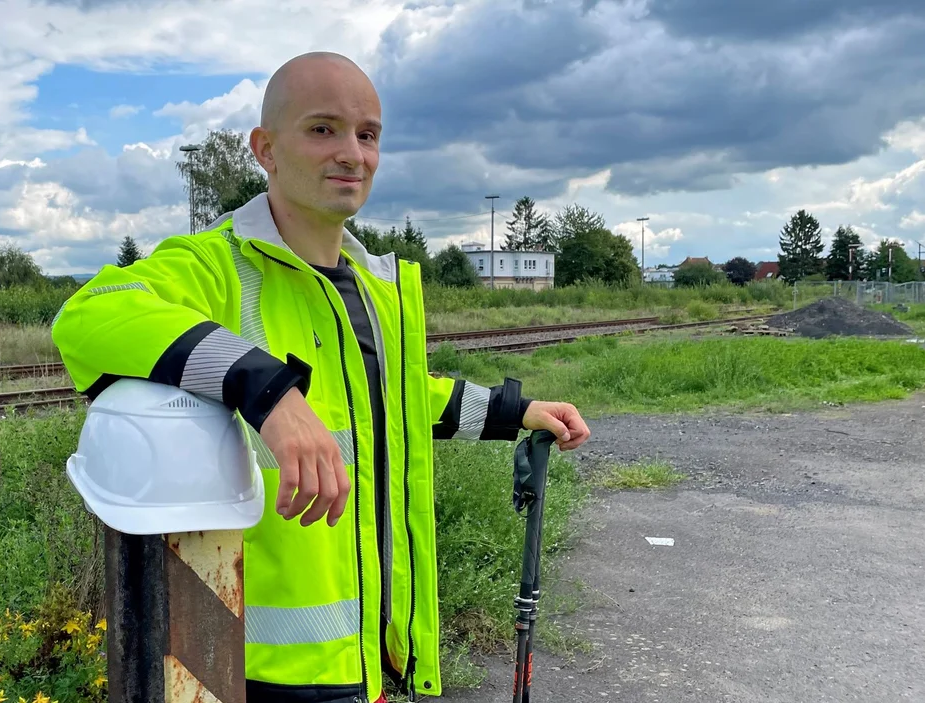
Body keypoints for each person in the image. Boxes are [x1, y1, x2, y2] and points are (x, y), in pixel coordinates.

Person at [51, 51, 590, 703]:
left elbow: (395, 398)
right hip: (257, 672)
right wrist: (266, 389)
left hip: (371, 656)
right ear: (266, 149)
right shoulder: (216, 266)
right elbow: (90, 314)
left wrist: (515, 411)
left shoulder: (373, 286)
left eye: (367, 134)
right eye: (322, 129)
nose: (351, 154)